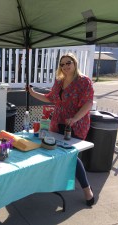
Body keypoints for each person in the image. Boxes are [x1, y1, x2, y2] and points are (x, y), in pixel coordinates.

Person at [27, 53, 95, 206]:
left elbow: (88, 103)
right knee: (54, 151)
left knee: (71, 156)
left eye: (68, 63)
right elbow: (50, 98)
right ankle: (57, 182)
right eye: (62, 64)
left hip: (75, 125)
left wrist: (75, 119)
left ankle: (87, 190)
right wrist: (32, 93)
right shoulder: (59, 81)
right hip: (57, 123)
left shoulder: (84, 81)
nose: (65, 66)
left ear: (75, 63)